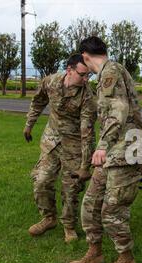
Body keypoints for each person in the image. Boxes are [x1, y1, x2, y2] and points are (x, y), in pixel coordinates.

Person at [69, 36, 142, 263]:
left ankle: (126, 260)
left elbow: (118, 110)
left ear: (84, 56)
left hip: (125, 150)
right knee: (91, 203)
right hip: (115, 150)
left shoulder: (110, 71)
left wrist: (101, 146)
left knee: (113, 210)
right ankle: (95, 253)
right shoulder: (109, 72)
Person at [24, 54, 97, 243]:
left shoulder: (88, 96)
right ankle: (48, 218)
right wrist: (29, 124)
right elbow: (38, 101)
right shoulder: (51, 81)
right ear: (69, 70)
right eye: (82, 74)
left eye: (88, 75)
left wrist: (84, 166)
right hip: (52, 141)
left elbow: (87, 132)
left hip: (74, 145)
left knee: (70, 188)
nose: (85, 79)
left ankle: (69, 226)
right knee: (41, 181)